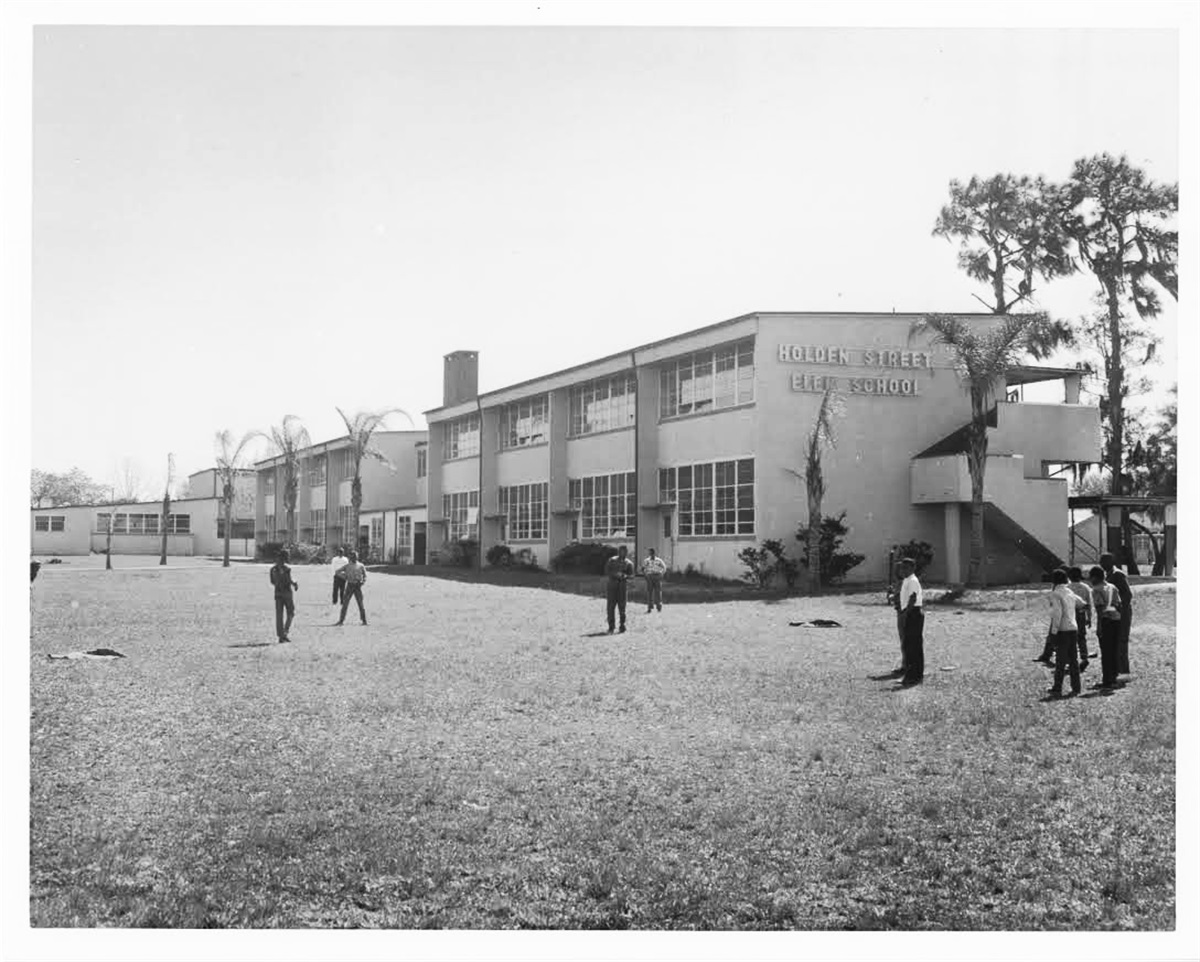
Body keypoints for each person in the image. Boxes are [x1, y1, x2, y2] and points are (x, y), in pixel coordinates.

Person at [1046, 569, 1082, 698]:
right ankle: (1076, 687)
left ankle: (1057, 687)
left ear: (1054, 581)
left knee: (1060, 660)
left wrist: (1053, 632)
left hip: (1062, 630)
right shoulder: (1070, 592)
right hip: (1073, 628)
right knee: (1073, 660)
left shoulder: (1055, 594)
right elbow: (1082, 603)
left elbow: (1057, 614)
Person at [1088, 564, 1122, 689]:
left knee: (1106, 652)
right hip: (1117, 620)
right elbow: (1119, 604)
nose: (1090, 581)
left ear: (1095, 577)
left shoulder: (1096, 590)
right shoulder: (1112, 587)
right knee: (1114, 650)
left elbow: (1100, 609)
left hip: (1106, 621)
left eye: (1091, 578)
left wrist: (1099, 627)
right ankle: (1114, 677)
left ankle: (1107, 680)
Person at [1100, 552, 1133, 676]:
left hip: (1122, 613)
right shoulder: (1108, 575)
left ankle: (1124, 671)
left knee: (1121, 641)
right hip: (1113, 613)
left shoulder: (1118, 574)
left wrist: (1118, 609)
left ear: (1111, 562)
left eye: (1104, 561)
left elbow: (1127, 595)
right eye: (1101, 562)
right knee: (1114, 642)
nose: (1102, 564)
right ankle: (1117, 670)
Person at [896, 557, 924, 686]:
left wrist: (905, 614)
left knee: (913, 646)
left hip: (913, 613)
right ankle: (911, 674)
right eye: (902, 567)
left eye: (906, 567)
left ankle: (914, 676)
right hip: (910, 612)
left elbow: (913, 598)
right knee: (909, 645)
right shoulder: (907, 580)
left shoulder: (912, 580)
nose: (903, 570)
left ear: (913, 568)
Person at [1066, 566, 1093, 671]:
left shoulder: (1067, 587)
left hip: (1070, 614)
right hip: (1081, 614)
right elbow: (1089, 604)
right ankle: (1084, 657)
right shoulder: (1085, 587)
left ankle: (1071, 659)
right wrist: (1089, 618)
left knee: (1070, 638)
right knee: (1082, 637)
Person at [604, 545, 635, 634]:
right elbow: (607, 571)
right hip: (612, 586)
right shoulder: (612, 560)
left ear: (627, 552)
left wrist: (625, 576)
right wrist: (615, 574)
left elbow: (632, 575)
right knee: (610, 607)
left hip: (622, 587)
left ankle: (622, 625)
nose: (623, 553)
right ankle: (611, 627)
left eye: (625, 551)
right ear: (618, 552)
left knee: (622, 608)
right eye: (621, 551)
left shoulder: (629, 563)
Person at [269, 549, 298, 644]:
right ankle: (285, 633)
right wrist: (294, 583)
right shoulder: (286, 569)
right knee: (291, 613)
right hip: (287, 594)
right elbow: (288, 580)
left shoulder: (273, 569)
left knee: (279, 615)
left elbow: (272, 582)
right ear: (284, 557)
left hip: (278, 594)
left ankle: (281, 636)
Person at [336, 550, 368, 626]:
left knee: (360, 604)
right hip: (350, 586)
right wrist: (345, 577)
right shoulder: (347, 566)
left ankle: (364, 621)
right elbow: (337, 572)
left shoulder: (361, 565)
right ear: (350, 557)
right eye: (353, 556)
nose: (354, 558)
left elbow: (365, 576)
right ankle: (341, 621)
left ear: (357, 557)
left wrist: (363, 581)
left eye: (355, 556)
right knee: (345, 604)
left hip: (357, 586)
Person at [641, 547, 667, 613]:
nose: (651, 554)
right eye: (650, 553)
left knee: (658, 592)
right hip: (649, 576)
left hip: (657, 576)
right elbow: (643, 568)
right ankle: (650, 607)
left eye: (652, 553)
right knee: (649, 592)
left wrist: (661, 574)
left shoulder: (659, 560)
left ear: (654, 553)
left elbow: (664, 567)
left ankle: (659, 606)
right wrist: (645, 575)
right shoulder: (646, 561)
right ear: (649, 553)